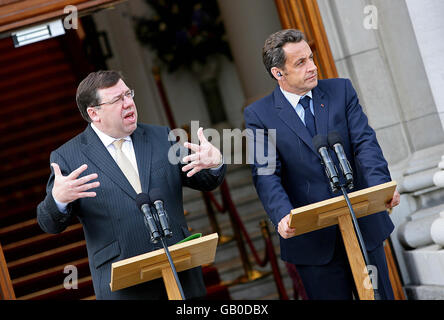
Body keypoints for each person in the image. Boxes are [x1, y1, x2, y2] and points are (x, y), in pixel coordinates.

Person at [37, 70, 226, 299]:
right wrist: (58, 200)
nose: (129, 103)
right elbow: (49, 223)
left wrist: (214, 163)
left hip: (179, 271)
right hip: (123, 286)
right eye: (118, 99)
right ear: (94, 113)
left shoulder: (160, 137)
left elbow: (202, 180)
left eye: (128, 94)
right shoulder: (69, 157)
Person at [244, 29, 400, 300]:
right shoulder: (259, 115)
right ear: (278, 73)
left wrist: (380, 190)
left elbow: (366, 145)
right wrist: (283, 214)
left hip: (362, 224)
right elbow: (267, 173)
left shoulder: (341, 91)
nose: (312, 67)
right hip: (312, 241)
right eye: (300, 63)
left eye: (311, 58)